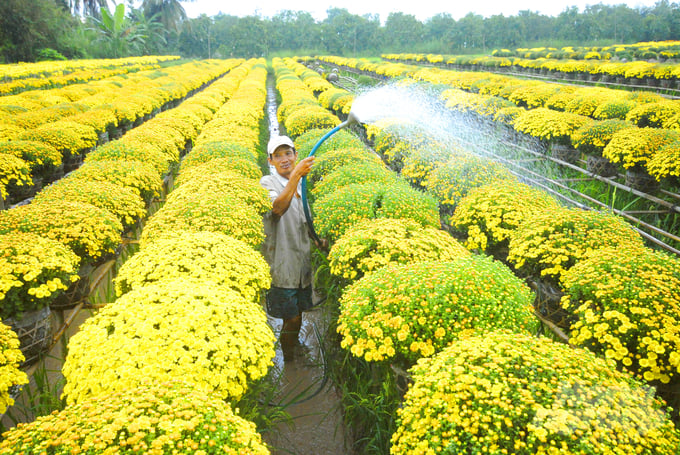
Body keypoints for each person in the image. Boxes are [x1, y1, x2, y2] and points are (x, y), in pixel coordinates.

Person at [260, 135, 325, 361]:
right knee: (292, 317)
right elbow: (277, 208)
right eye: (278, 155)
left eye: (288, 153)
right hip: (281, 265)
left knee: (297, 314)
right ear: (270, 161)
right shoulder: (267, 183)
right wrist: (296, 175)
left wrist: (318, 240)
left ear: (296, 155)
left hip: (301, 266)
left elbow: (303, 220)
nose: (284, 159)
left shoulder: (302, 186)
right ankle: (289, 360)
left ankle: (294, 348)